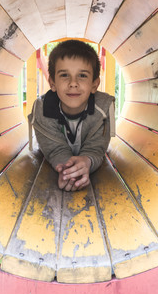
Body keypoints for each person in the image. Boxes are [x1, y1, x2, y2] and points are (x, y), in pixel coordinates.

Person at [28, 39, 115, 192]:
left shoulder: (103, 108)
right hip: (59, 155)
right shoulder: (43, 109)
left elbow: (96, 148)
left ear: (94, 84)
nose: (73, 83)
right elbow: (55, 149)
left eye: (82, 75)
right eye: (64, 75)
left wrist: (86, 162)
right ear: (52, 83)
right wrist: (68, 172)